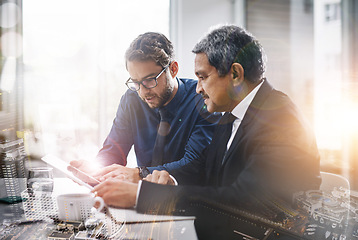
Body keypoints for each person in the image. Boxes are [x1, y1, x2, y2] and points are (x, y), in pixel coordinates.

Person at [93, 24, 321, 236]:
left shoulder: (281, 119)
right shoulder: (230, 116)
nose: (198, 88)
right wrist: (169, 180)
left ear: (235, 74)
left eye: (203, 77)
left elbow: (246, 203)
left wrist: (144, 196)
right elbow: (204, 173)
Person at [71, 32, 220, 183]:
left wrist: (141, 174)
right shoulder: (131, 100)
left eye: (149, 80)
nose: (143, 91)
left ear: (173, 69)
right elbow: (114, 149)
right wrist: (96, 172)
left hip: (186, 199)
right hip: (142, 198)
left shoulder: (203, 99)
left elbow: (193, 165)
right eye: (136, 82)